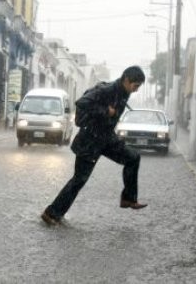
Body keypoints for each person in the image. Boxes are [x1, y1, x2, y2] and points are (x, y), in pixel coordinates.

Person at [41, 65, 147, 225]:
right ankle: (51, 213)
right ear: (126, 80)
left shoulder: (124, 92)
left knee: (133, 158)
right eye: (135, 86)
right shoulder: (108, 90)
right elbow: (82, 103)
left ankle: (128, 199)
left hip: (106, 139)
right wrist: (106, 111)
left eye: (138, 86)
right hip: (90, 141)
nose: (136, 90)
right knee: (79, 180)